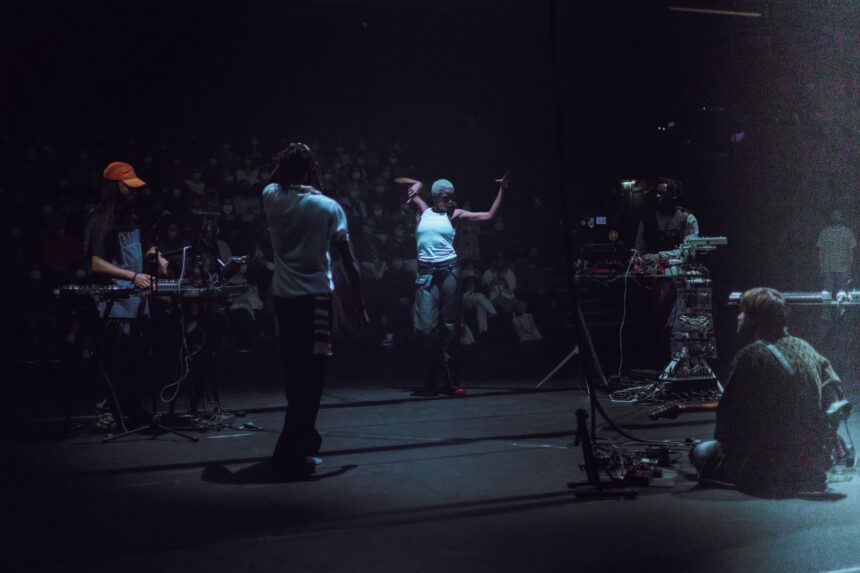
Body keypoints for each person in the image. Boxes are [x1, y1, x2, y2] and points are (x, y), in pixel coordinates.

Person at [262, 142, 367, 480]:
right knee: (313, 378)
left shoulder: (270, 197)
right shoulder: (328, 207)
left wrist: (291, 162)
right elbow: (350, 262)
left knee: (294, 374)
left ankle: (305, 440)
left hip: (284, 300)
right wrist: (361, 304)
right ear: (311, 171)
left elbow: (274, 180)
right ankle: (288, 453)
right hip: (316, 301)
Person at [690, 287, 849, 496]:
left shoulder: (750, 356)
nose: (738, 317)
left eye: (742, 312)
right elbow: (835, 397)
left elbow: (726, 420)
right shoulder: (807, 348)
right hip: (807, 462)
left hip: (766, 467)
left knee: (700, 452)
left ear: (754, 319)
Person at [395, 172, 508, 397]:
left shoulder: (454, 214)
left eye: (452, 197)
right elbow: (398, 183)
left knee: (449, 328)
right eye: (446, 197)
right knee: (426, 329)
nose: (450, 201)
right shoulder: (424, 210)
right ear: (436, 196)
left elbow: (488, 215)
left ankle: (451, 383)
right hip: (427, 274)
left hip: (449, 271)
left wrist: (503, 189)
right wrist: (417, 183)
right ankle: (429, 383)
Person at [83, 161, 169, 426]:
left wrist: (158, 257)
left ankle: (131, 407)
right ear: (113, 187)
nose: (133, 192)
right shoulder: (99, 220)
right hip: (113, 300)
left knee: (135, 358)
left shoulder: (132, 218)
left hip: (136, 298)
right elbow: (96, 263)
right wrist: (132, 276)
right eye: (127, 187)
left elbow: (142, 248)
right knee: (113, 358)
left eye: (134, 188)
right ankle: (105, 411)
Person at [816, 209, 856, 296]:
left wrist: (849, 267)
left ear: (841, 217)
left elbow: (851, 251)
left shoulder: (848, 233)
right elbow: (821, 252)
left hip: (843, 269)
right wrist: (821, 267)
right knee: (827, 294)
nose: (835, 217)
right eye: (833, 215)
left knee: (842, 294)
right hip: (828, 268)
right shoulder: (824, 233)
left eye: (838, 215)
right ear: (830, 217)